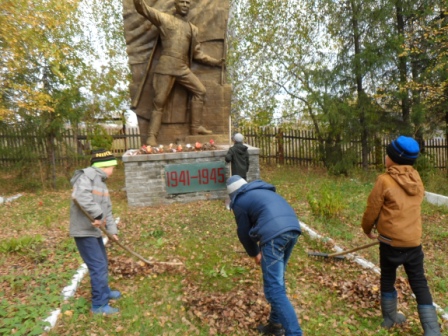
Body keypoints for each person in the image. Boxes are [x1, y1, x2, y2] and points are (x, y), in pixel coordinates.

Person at [361, 136, 441, 335]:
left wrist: (367, 228)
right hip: (413, 242)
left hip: (390, 243)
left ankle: (390, 317)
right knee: (419, 282)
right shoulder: (416, 178)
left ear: (393, 158)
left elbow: (372, 208)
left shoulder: (384, 180)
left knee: (388, 277)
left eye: (387, 154)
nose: (385, 157)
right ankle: (432, 330)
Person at [133, 0, 224, 147]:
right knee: (159, 102)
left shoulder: (192, 28)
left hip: (182, 67)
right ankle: (151, 137)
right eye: (182, 2)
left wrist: (216, 62)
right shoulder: (164, 19)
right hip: (166, 65)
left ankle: (196, 128)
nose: (185, 5)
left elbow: (197, 54)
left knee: (200, 90)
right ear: (175, 4)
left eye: (188, 3)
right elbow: (142, 8)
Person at [226, 175, 302, 336]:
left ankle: (295, 333)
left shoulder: (239, 201)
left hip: (274, 236)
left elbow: (243, 233)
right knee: (278, 281)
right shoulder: (261, 190)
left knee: (274, 290)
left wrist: (255, 254)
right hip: (293, 229)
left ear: (232, 195)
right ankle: (275, 325)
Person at [70, 149, 121, 315]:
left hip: (94, 232)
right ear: (105, 166)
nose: (113, 170)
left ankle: (105, 292)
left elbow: (108, 210)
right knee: (97, 266)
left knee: (102, 262)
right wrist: (98, 214)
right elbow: (80, 197)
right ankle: (99, 305)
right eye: (113, 166)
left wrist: (112, 230)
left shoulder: (101, 182)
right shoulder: (87, 177)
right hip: (84, 231)